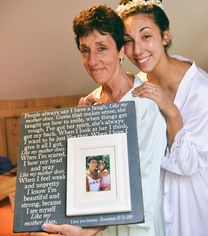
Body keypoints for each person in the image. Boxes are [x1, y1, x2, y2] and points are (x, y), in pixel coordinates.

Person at [30, 4, 167, 236]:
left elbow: (141, 182)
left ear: (121, 50)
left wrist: (91, 228)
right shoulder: (91, 101)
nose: (92, 60)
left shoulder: (146, 104)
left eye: (101, 48)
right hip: (97, 226)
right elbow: (89, 173)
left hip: (137, 227)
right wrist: (80, 132)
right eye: (85, 50)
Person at [116, 0, 208, 235]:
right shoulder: (137, 87)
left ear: (165, 36)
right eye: (128, 41)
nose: (137, 50)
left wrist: (172, 110)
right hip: (157, 207)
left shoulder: (201, 88)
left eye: (146, 36)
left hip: (198, 206)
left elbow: (188, 163)